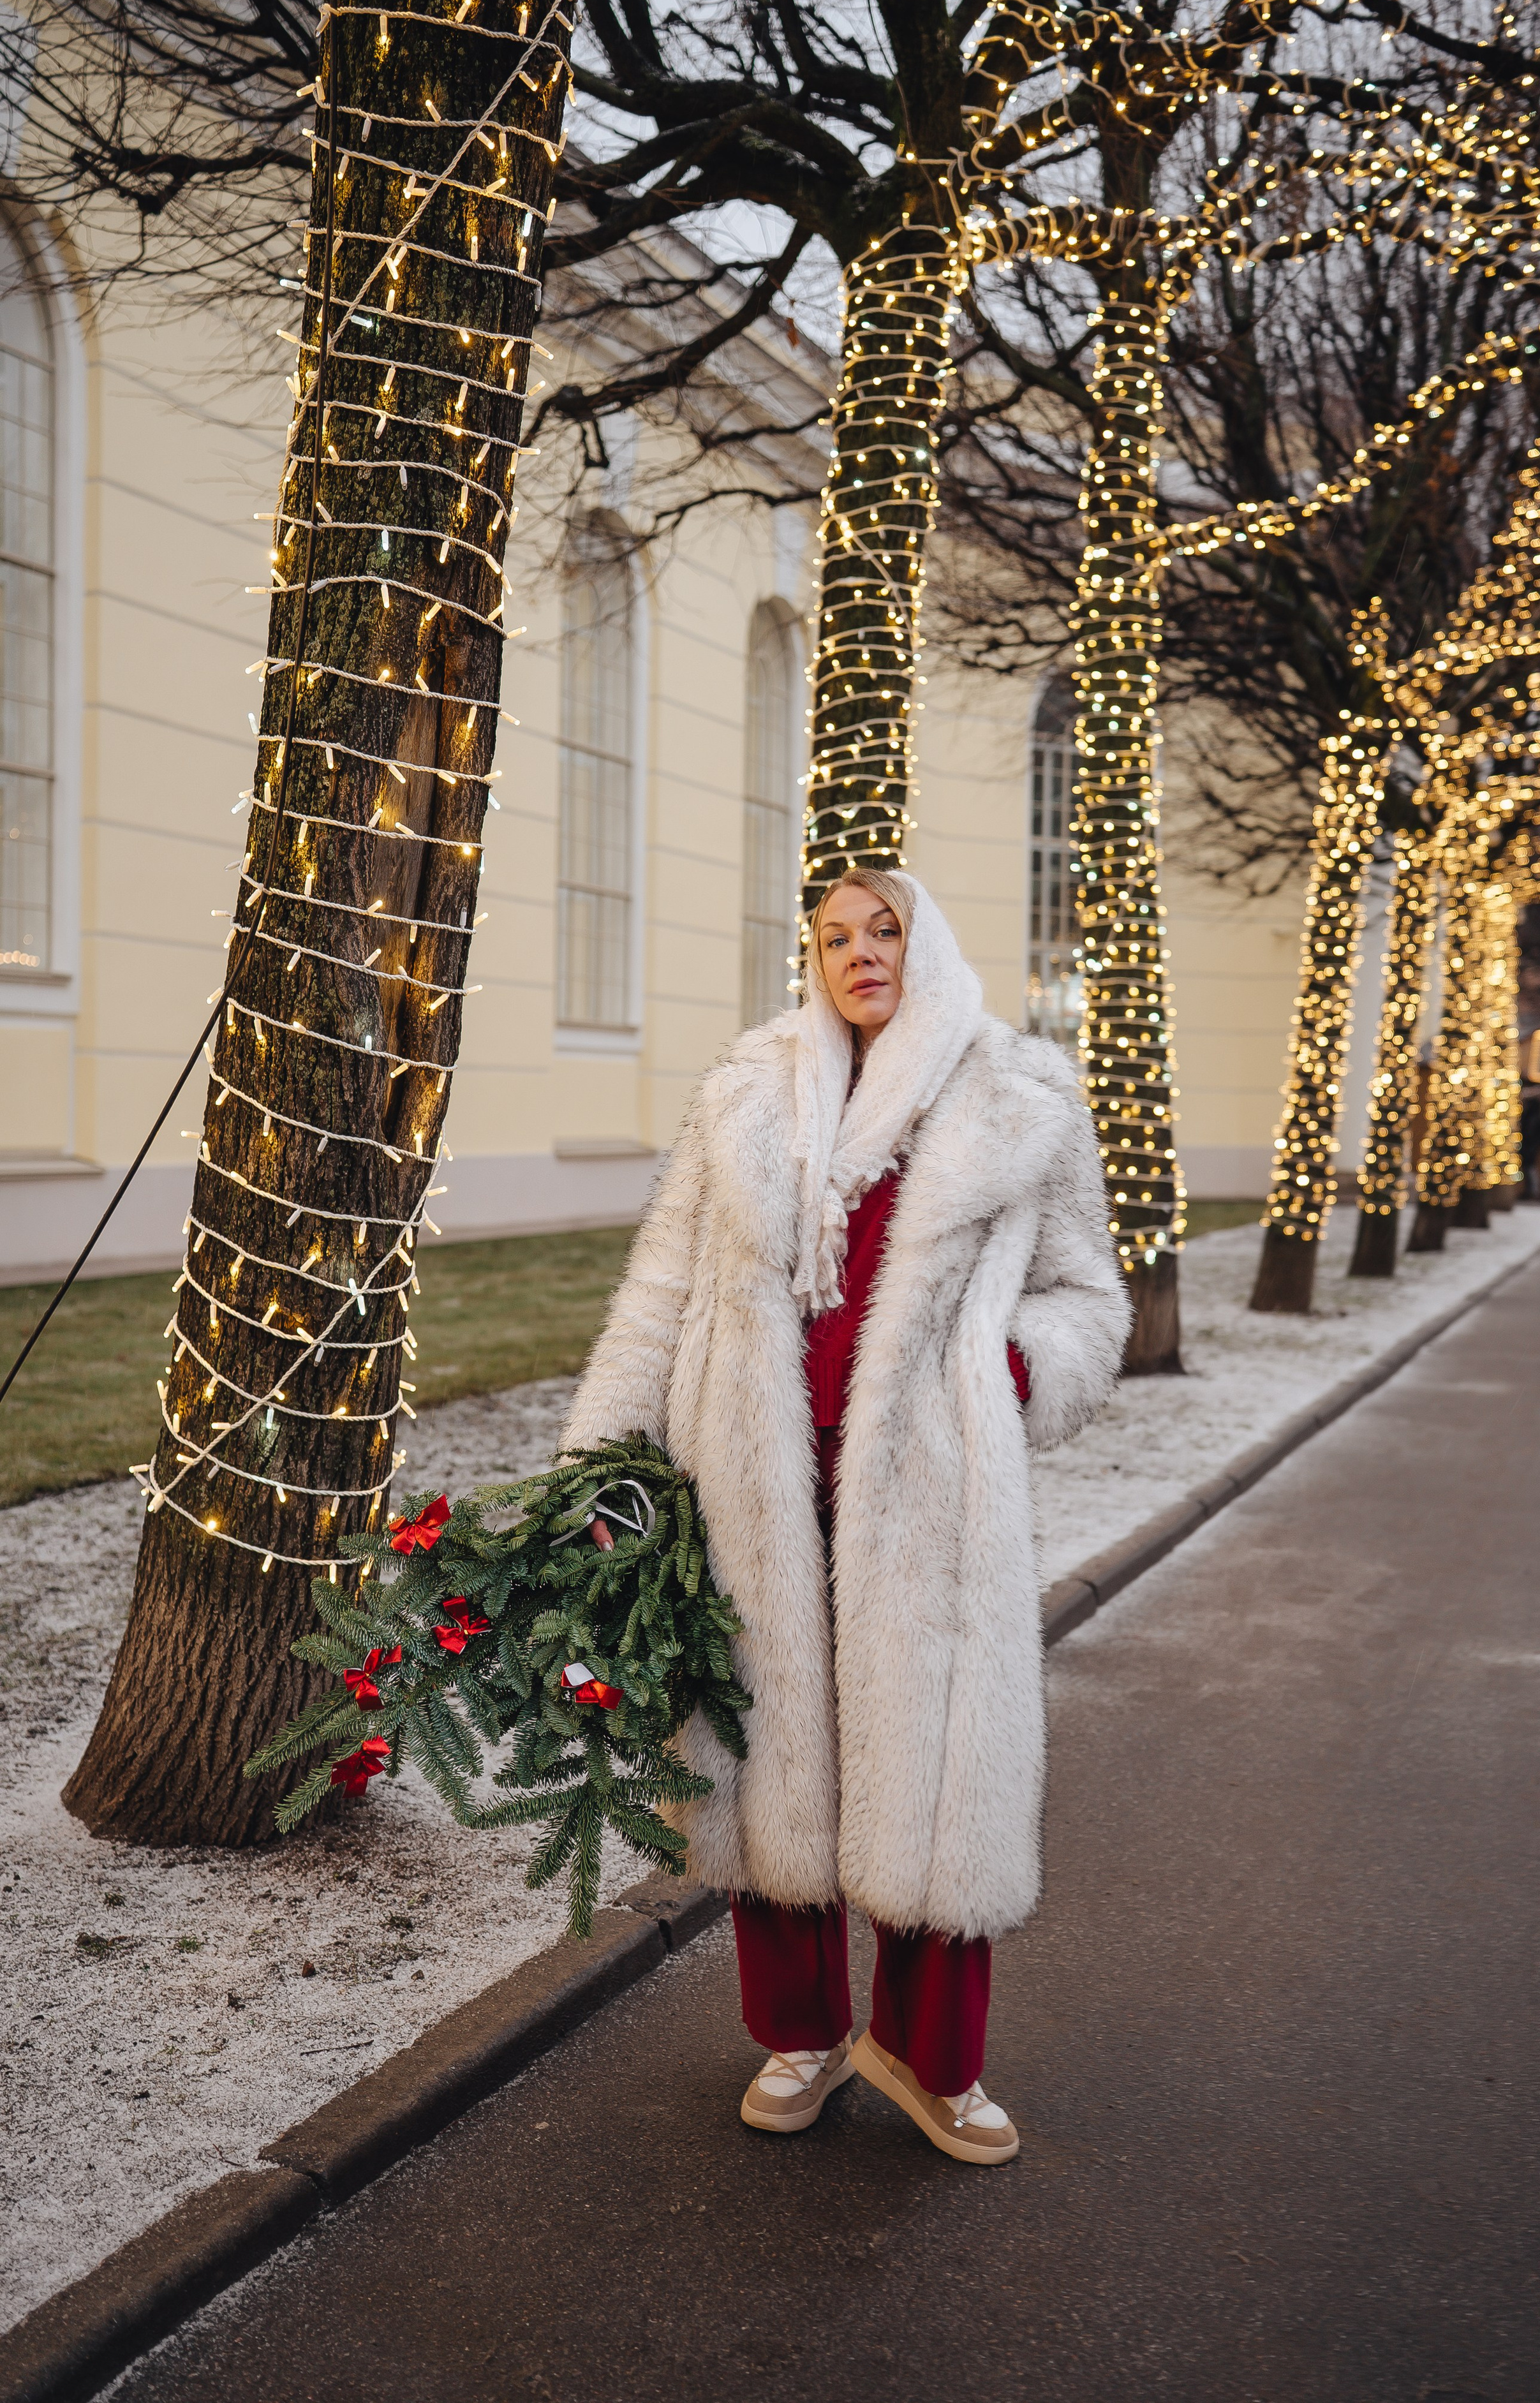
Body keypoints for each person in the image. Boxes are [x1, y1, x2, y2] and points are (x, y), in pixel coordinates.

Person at [560, 869, 1130, 2166]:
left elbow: (1086, 1297)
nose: (858, 954)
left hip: (928, 1497)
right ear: (809, 958)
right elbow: (658, 1297)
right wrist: (599, 1462)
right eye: (833, 936)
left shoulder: (1017, 1098)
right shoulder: (747, 1099)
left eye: (884, 930)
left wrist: (1006, 1370)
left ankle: (933, 2061)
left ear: (924, 942)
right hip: (751, 1487)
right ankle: (803, 2033)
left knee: (934, 1772)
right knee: (775, 1769)